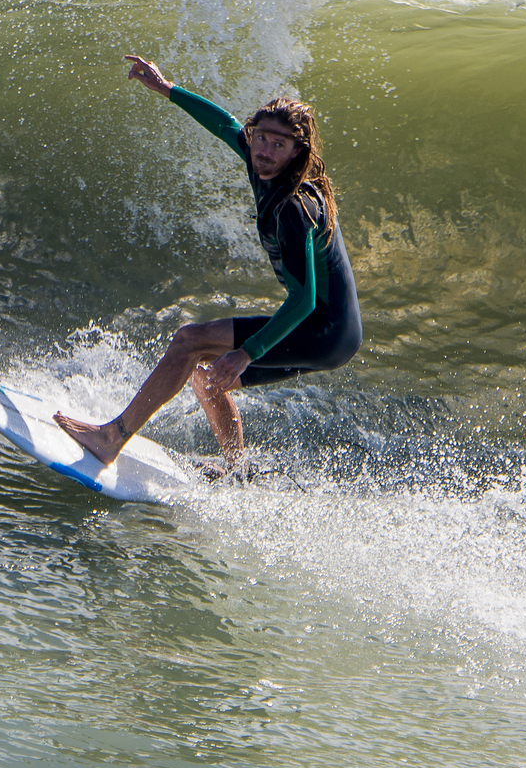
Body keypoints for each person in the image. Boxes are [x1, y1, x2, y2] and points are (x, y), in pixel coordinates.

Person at [54, 54, 361, 470]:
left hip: (325, 330)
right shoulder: (263, 165)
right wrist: (166, 89)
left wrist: (248, 352)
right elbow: (225, 125)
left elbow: (305, 300)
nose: (265, 150)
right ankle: (236, 470)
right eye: (262, 138)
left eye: (279, 144)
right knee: (204, 374)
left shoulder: (294, 207)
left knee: (189, 340)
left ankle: (111, 437)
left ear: (296, 152)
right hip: (332, 331)